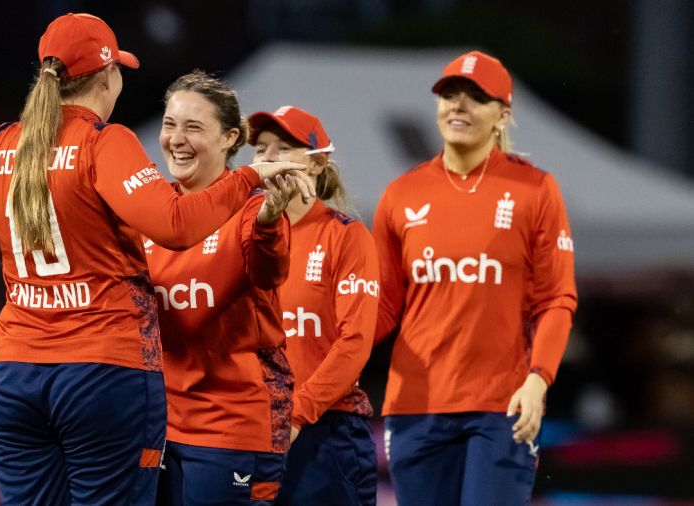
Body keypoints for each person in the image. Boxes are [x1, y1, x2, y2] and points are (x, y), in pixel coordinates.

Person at [0, 13, 308, 505]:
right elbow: (175, 225)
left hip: (17, 376)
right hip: (105, 373)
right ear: (108, 75)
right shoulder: (104, 142)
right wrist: (248, 178)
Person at [372, 50, 578, 505]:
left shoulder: (535, 190)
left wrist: (538, 380)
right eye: (449, 95)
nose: (458, 106)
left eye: (475, 98)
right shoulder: (400, 195)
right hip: (415, 407)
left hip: (502, 406)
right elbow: (384, 304)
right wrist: (332, 351)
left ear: (502, 114)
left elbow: (557, 299)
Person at [149, 71, 304, 506]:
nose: (176, 139)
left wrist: (271, 221)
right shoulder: (151, 210)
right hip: (155, 424)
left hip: (228, 423)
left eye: (193, 127)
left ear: (229, 138)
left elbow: (269, 271)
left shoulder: (254, 210)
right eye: (169, 124)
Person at [248, 106, 379, 505]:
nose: (268, 159)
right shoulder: (236, 232)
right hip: (246, 429)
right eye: (260, 149)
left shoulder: (345, 237)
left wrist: (297, 413)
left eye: (283, 148)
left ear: (319, 163)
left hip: (325, 431)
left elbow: (354, 343)